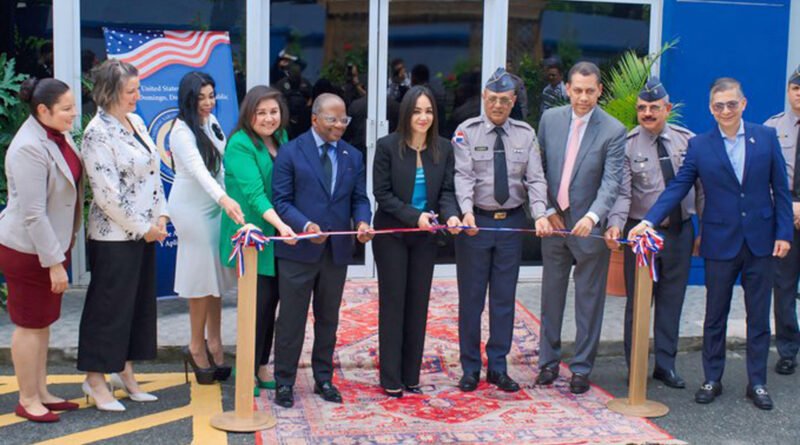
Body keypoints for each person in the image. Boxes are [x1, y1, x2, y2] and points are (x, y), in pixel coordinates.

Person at [629, 77, 792, 410]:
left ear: (743, 104)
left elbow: (781, 190)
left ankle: (757, 382)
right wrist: (649, 220)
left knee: (758, 316)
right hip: (720, 242)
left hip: (760, 240)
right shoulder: (700, 146)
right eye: (719, 106)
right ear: (711, 109)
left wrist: (783, 233)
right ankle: (712, 378)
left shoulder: (766, 136)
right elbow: (678, 186)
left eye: (731, 104)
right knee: (715, 315)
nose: (726, 111)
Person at [453, 68, 550, 393]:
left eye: (504, 100)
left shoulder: (525, 134)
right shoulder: (467, 132)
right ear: (484, 98)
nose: (498, 105)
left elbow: (535, 179)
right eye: (493, 99)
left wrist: (540, 214)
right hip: (476, 224)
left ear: (513, 101)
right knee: (471, 299)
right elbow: (463, 176)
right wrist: (466, 211)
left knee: (504, 299)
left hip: (511, 223)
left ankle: (498, 366)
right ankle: (470, 368)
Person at [272, 93, 372, 408]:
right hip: (298, 252)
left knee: (328, 319)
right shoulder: (290, 152)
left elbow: (360, 198)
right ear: (315, 119)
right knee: (291, 320)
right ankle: (284, 382)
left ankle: (324, 378)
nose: (339, 125)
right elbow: (281, 201)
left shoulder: (353, 156)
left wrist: (363, 221)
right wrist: (305, 226)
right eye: (332, 119)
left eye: (344, 119)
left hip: (335, 252)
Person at [79, 59, 168, 411]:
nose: (138, 96)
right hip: (114, 237)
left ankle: (124, 371)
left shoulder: (137, 122)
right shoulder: (96, 133)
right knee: (109, 309)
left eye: (138, 88)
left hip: (146, 232)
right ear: (110, 92)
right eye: (131, 90)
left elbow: (153, 174)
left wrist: (161, 216)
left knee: (135, 308)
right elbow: (107, 195)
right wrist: (144, 228)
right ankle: (94, 378)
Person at [605, 77, 702, 388]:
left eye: (654, 107)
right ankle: (635, 366)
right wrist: (616, 224)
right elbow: (622, 193)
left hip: (680, 232)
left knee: (672, 301)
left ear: (667, 108)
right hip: (642, 235)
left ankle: (665, 365)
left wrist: (704, 230)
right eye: (642, 108)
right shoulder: (628, 144)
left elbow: (701, 190)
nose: (647, 113)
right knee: (638, 304)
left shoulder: (688, 141)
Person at [536, 61, 626, 394]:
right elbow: (538, 169)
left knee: (589, 300)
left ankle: (581, 368)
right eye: (577, 91)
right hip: (554, 223)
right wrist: (546, 210)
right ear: (567, 89)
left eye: (590, 91)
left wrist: (592, 217)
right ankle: (547, 362)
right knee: (551, 296)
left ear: (600, 90)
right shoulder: (549, 119)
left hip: (589, 227)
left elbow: (612, 182)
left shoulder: (613, 130)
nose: (583, 98)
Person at [0, 78, 82, 422]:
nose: (74, 114)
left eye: (74, 106)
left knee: (42, 322)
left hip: (50, 246)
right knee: (29, 325)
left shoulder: (56, 134)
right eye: (67, 109)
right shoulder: (28, 148)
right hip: (29, 251)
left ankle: (42, 390)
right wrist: (54, 263)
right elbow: (33, 214)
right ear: (42, 110)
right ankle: (27, 398)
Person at [373, 86, 462, 398]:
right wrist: (414, 217)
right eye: (416, 111)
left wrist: (452, 216)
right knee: (394, 303)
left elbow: (447, 192)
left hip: (425, 238)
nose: (423, 117)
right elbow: (382, 194)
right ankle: (390, 377)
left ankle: (411, 376)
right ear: (406, 114)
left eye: (428, 111)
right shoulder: (387, 146)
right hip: (392, 235)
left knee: (418, 304)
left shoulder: (444, 148)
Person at [219, 85, 298, 393]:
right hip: (252, 238)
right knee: (256, 305)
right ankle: (246, 369)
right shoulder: (239, 144)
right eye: (261, 112)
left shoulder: (282, 138)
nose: (268, 118)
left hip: (277, 234)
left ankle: (262, 364)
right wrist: (282, 225)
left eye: (273, 112)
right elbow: (255, 194)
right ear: (248, 114)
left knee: (273, 302)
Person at [167, 71, 245, 384]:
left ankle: (215, 342)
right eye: (201, 98)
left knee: (216, 278)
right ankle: (195, 346)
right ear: (188, 99)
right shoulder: (180, 131)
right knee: (200, 281)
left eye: (211, 96)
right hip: (192, 209)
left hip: (215, 207)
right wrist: (225, 199)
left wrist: (231, 197)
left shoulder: (210, 122)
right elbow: (200, 172)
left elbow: (221, 166)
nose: (208, 102)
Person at [763, 65, 800, 376]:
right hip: (785, 218)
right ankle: (787, 350)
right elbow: (762, 178)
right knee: (784, 287)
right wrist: (788, 209)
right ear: (788, 91)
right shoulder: (772, 128)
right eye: (796, 88)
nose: (799, 94)